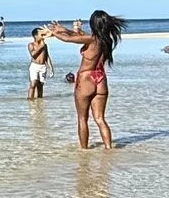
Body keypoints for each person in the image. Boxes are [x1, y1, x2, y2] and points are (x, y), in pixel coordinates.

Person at [43, 11, 125, 149]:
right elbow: (79, 36)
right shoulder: (106, 40)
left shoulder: (92, 39)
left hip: (86, 78)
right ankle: (109, 149)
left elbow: (69, 39)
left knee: (82, 118)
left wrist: (53, 33)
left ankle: (84, 152)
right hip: (101, 79)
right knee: (100, 119)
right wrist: (64, 30)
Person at [26, 26, 52, 100]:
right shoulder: (31, 45)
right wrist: (41, 47)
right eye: (41, 35)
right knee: (33, 83)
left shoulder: (45, 45)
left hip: (43, 66)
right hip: (34, 66)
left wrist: (51, 68)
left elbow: (47, 57)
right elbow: (33, 55)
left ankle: (40, 101)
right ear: (35, 36)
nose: (43, 36)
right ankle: (30, 100)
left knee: (40, 85)